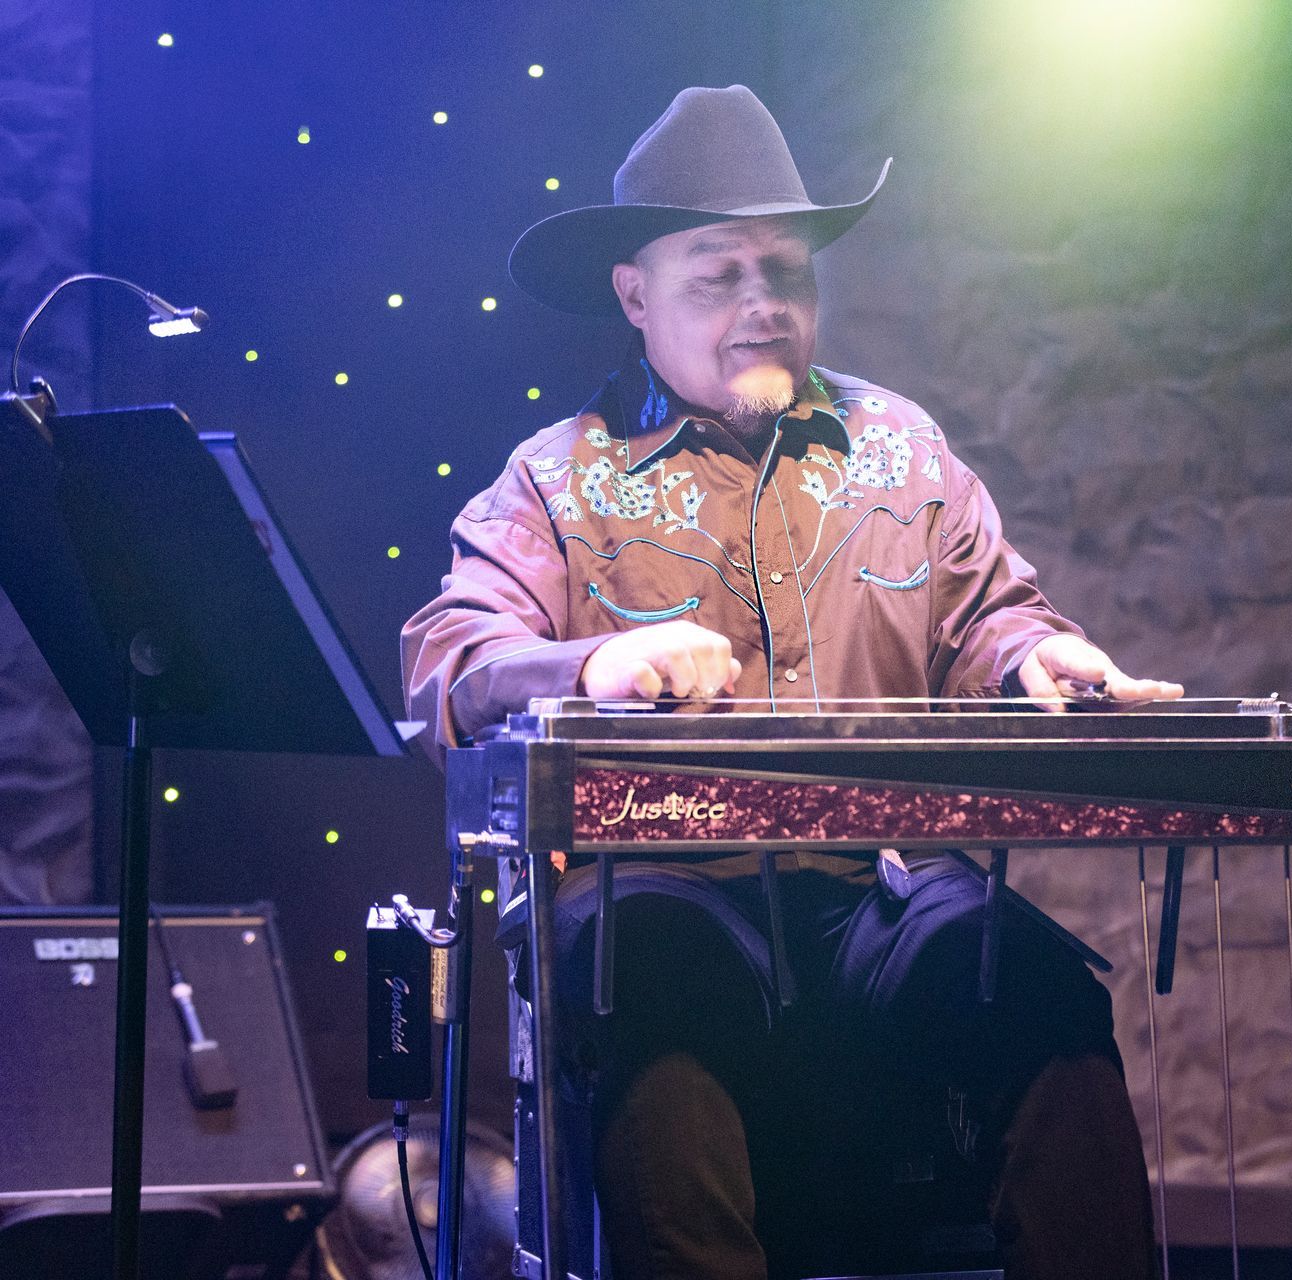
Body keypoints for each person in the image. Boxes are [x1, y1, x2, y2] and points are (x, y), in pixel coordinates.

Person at [402, 85, 1180, 1280]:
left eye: (785, 270)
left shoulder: (903, 448)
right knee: (645, 978)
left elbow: (990, 613)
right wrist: (594, 662)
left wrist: (1037, 655)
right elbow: (451, 658)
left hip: (877, 896)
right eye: (718, 273)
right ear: (634, 294)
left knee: (1032, 982)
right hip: (667, 901)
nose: (762, 302)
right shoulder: (555, 479)